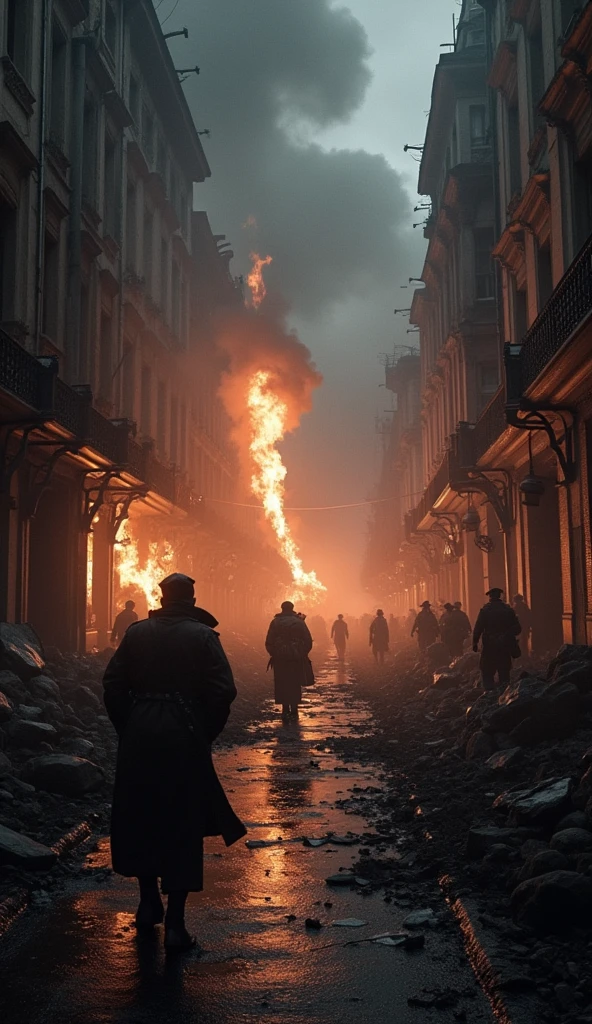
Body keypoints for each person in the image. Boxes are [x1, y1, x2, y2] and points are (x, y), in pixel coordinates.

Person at [102, 573, 245, 952]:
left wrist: (130, 724)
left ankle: (148, 904)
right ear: (192, 597)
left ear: (161, 598)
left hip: (139, 730)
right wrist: (203, 730)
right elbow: (224, 690)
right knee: (181, 820)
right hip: (183, 732)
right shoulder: (202, 636)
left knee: (141, 814)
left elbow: (113, 685)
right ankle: (177, 925)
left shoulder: (136, 633)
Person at [266, 601, 313, 717]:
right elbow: (308, 640)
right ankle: (294, 707)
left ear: (281, 608)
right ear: (292, 609)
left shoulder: (275, 622)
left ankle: (285, 707)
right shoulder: (299, 622)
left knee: (281, 681)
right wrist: (302, 653)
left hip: (280, 657)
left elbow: (269, 641)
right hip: (295, 657)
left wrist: (274, 653)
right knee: (294, 681)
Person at [473, 587, 521, 691]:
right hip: (504, 646)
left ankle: (489, 695)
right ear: (499, 596)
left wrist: (475, 642)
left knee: (487, 671)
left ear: (490, 597)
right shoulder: (508, 610)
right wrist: (507, 635)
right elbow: (517, 628)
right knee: (504, 671)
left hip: (489, 646)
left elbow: (478, 628)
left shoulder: (485, 610)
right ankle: (504, 694)